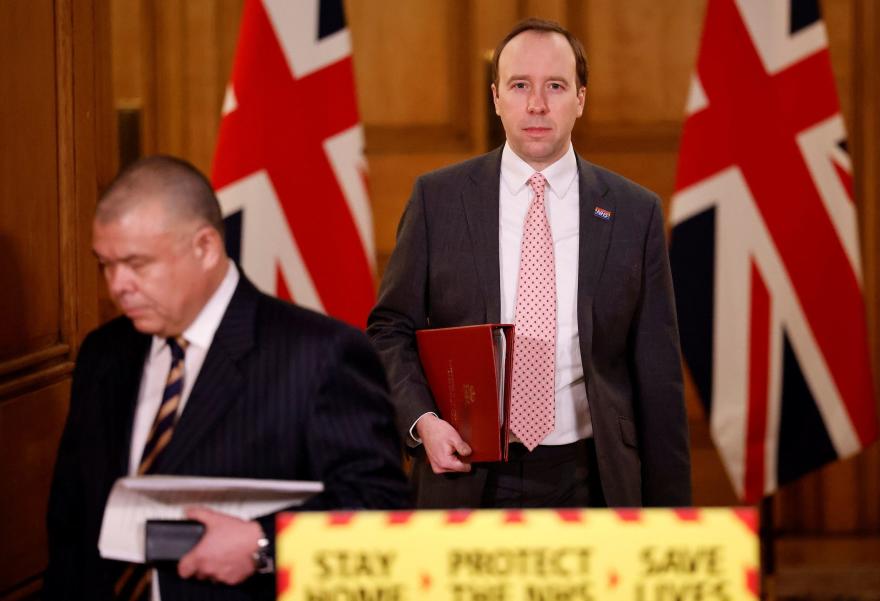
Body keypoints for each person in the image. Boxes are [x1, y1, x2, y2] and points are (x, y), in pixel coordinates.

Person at [45, 155, 410, 600]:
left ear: (205, 247)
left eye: (137, 263)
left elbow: (378, 513)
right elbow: (71, 520)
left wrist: (263, 544)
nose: (118, 284)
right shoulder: (105, 352)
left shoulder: (320, 355)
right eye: (105, 264)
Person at [367, 18, 691, 509]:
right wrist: (421, 422)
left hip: (594, 477)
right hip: (466, 473)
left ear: (581, 98)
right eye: (520, 86)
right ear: (496, 97)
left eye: (555, 86)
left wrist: (673, 521)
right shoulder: (438, 199)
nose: (536, 104)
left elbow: (658, 373)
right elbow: (389, 328)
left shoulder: (633, 211)